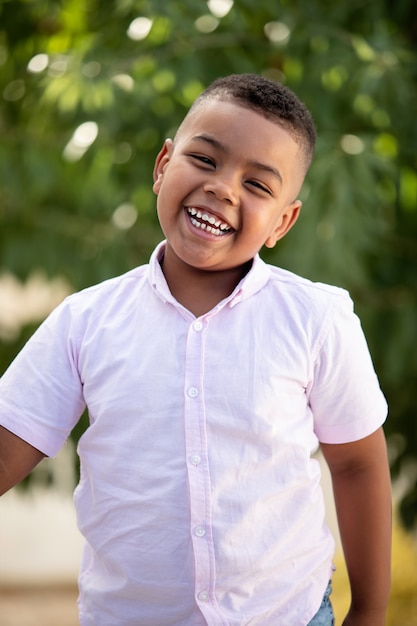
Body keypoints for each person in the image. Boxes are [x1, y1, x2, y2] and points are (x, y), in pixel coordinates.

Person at [0, 73, 391, 626]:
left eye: (258, 185)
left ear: (283, 221)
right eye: (205, 160)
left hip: (286, 615)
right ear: (163, 166)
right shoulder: (84, 322)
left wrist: (371, 611)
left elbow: (356, 465)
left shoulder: (316, 319)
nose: (224, 188)